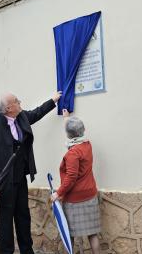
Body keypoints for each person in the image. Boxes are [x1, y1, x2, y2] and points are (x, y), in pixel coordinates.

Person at [0, 92, 62, 254]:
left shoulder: (21, 117)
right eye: (17, 101)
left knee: (23, 217)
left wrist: (53, 100)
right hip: (3, 183)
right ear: (8, 108)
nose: (20, 102)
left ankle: (26, 250)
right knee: (6, 222)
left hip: (20, 178)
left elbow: (37, 113)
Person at [51, 109, 101, 254]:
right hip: (90, 195)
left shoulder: (73, 153)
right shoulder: (87, 145)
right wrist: (66, 118)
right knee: (92, 234)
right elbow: (73, 133)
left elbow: (71, 177)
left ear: (68, 135)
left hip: (75, 199)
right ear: (83, 130)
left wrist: (58, 193)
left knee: (69, 235)